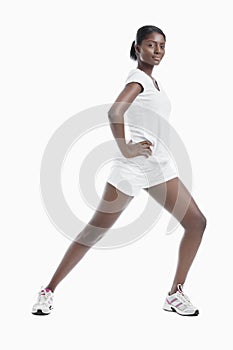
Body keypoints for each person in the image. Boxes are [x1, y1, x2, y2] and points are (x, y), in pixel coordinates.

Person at [32, 25, 207, 317]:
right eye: (151, 45)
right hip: (132, 168)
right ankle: (47, 291)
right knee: (94, 231)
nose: (158, 51)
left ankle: (175, 294)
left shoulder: (153, 82)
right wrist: (126, 148)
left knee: (196, 222)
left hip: (159, 166)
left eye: (162, 46)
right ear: (137, 48)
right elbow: (115, 112)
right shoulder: (138, 78)